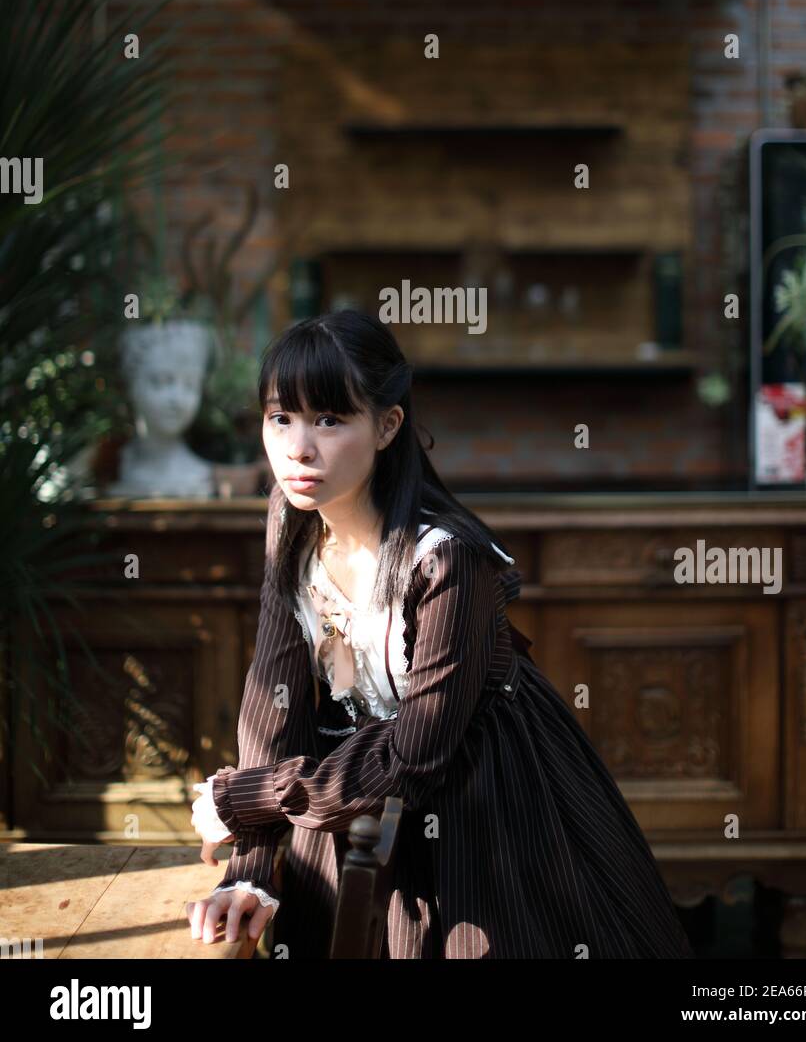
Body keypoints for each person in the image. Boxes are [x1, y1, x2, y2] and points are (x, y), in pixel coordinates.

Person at [186, 310, 695, 959]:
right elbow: (275, 700)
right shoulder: (294, 513)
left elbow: (412, 759)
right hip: (351, 789)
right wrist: (255, 870)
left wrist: (248, 795)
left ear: (387, 426)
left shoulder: (447, 559)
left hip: (486, 799)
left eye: (330, 420)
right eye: (280, 418)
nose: (298, 449)